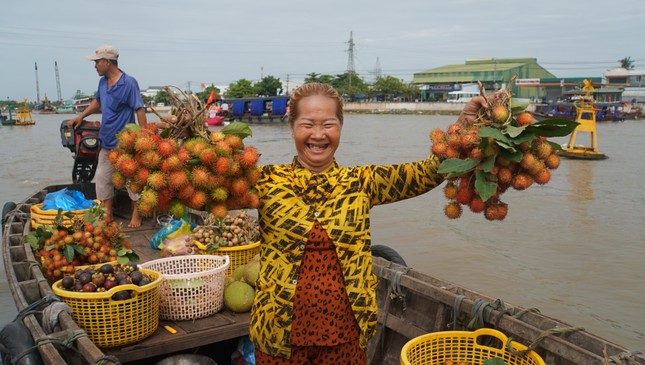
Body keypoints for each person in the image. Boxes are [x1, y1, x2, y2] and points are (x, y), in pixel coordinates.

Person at [250, 82, 477, 364]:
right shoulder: (264, 181)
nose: (318, 135)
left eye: (329, 124)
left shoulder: (361, 182)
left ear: (341, 127)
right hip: (277, 333)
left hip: (346, 334)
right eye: (307, 124)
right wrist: (181, 134)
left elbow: (428, 172)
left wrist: (462, 127)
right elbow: (202, 190)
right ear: (292, 127)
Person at [67, 45, 147, 228]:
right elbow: (98, 102)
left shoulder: (128, 83)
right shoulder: (103, 82)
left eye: (97, 62)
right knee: (102, 178)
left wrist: (144, 138)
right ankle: (108, 213)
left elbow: (139, 109)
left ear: (107, 62)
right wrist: (81, 116)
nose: (95, 66)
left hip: (125, 143)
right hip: (107, 141)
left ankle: (137, 213)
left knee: (131, 181)